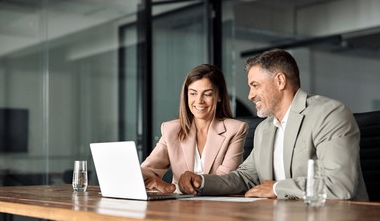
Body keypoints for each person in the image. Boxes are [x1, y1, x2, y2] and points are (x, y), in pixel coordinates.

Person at [178, 49, 369, 201]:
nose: (250, 95)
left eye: (255, 85)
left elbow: (338, 186)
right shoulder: (265, 129)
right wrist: (201, 181)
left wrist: (277, 188)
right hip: (282, 220)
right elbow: (245, 177)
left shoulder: (329, 114)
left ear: (280, 81)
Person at [141, 64, 248, 193]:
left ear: (219, 96)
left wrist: (197, 181)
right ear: (186, 96)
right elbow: (148, 169)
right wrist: (150, 179)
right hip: (179, 205)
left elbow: (226, 181)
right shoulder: (171, 129)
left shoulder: (235, 129)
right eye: (193, 93)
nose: (199, 101)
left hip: (217, 205)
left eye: (207, 94)